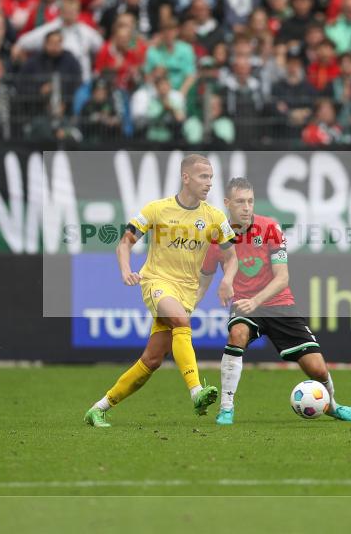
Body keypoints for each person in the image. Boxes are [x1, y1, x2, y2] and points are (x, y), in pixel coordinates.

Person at [84, 154, 239, 427]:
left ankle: (99, 407)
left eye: (211, 178)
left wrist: (227, 279)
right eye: (204, 177)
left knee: (152, 360)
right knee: (181, 321)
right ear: (186, 177)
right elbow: (124, 243)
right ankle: (196, 392)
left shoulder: (214, 217)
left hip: (187, 292)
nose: (209, 183)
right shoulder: (157, 209)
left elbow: (231, 257)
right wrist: (125, 270)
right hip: (156, 282)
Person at [197, 177, 351, 425]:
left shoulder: (270, 228)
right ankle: (226, 408)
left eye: (250, 201)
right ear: (227, 203)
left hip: (279, 304)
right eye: (240, 201)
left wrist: (255, 301)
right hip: (244, 305)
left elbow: (282, 277)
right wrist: (189, 306)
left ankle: (333, 405)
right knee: (238, 333)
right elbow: (204, 278)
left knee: (317, 369)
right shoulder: (216, 238)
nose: (246, 207)